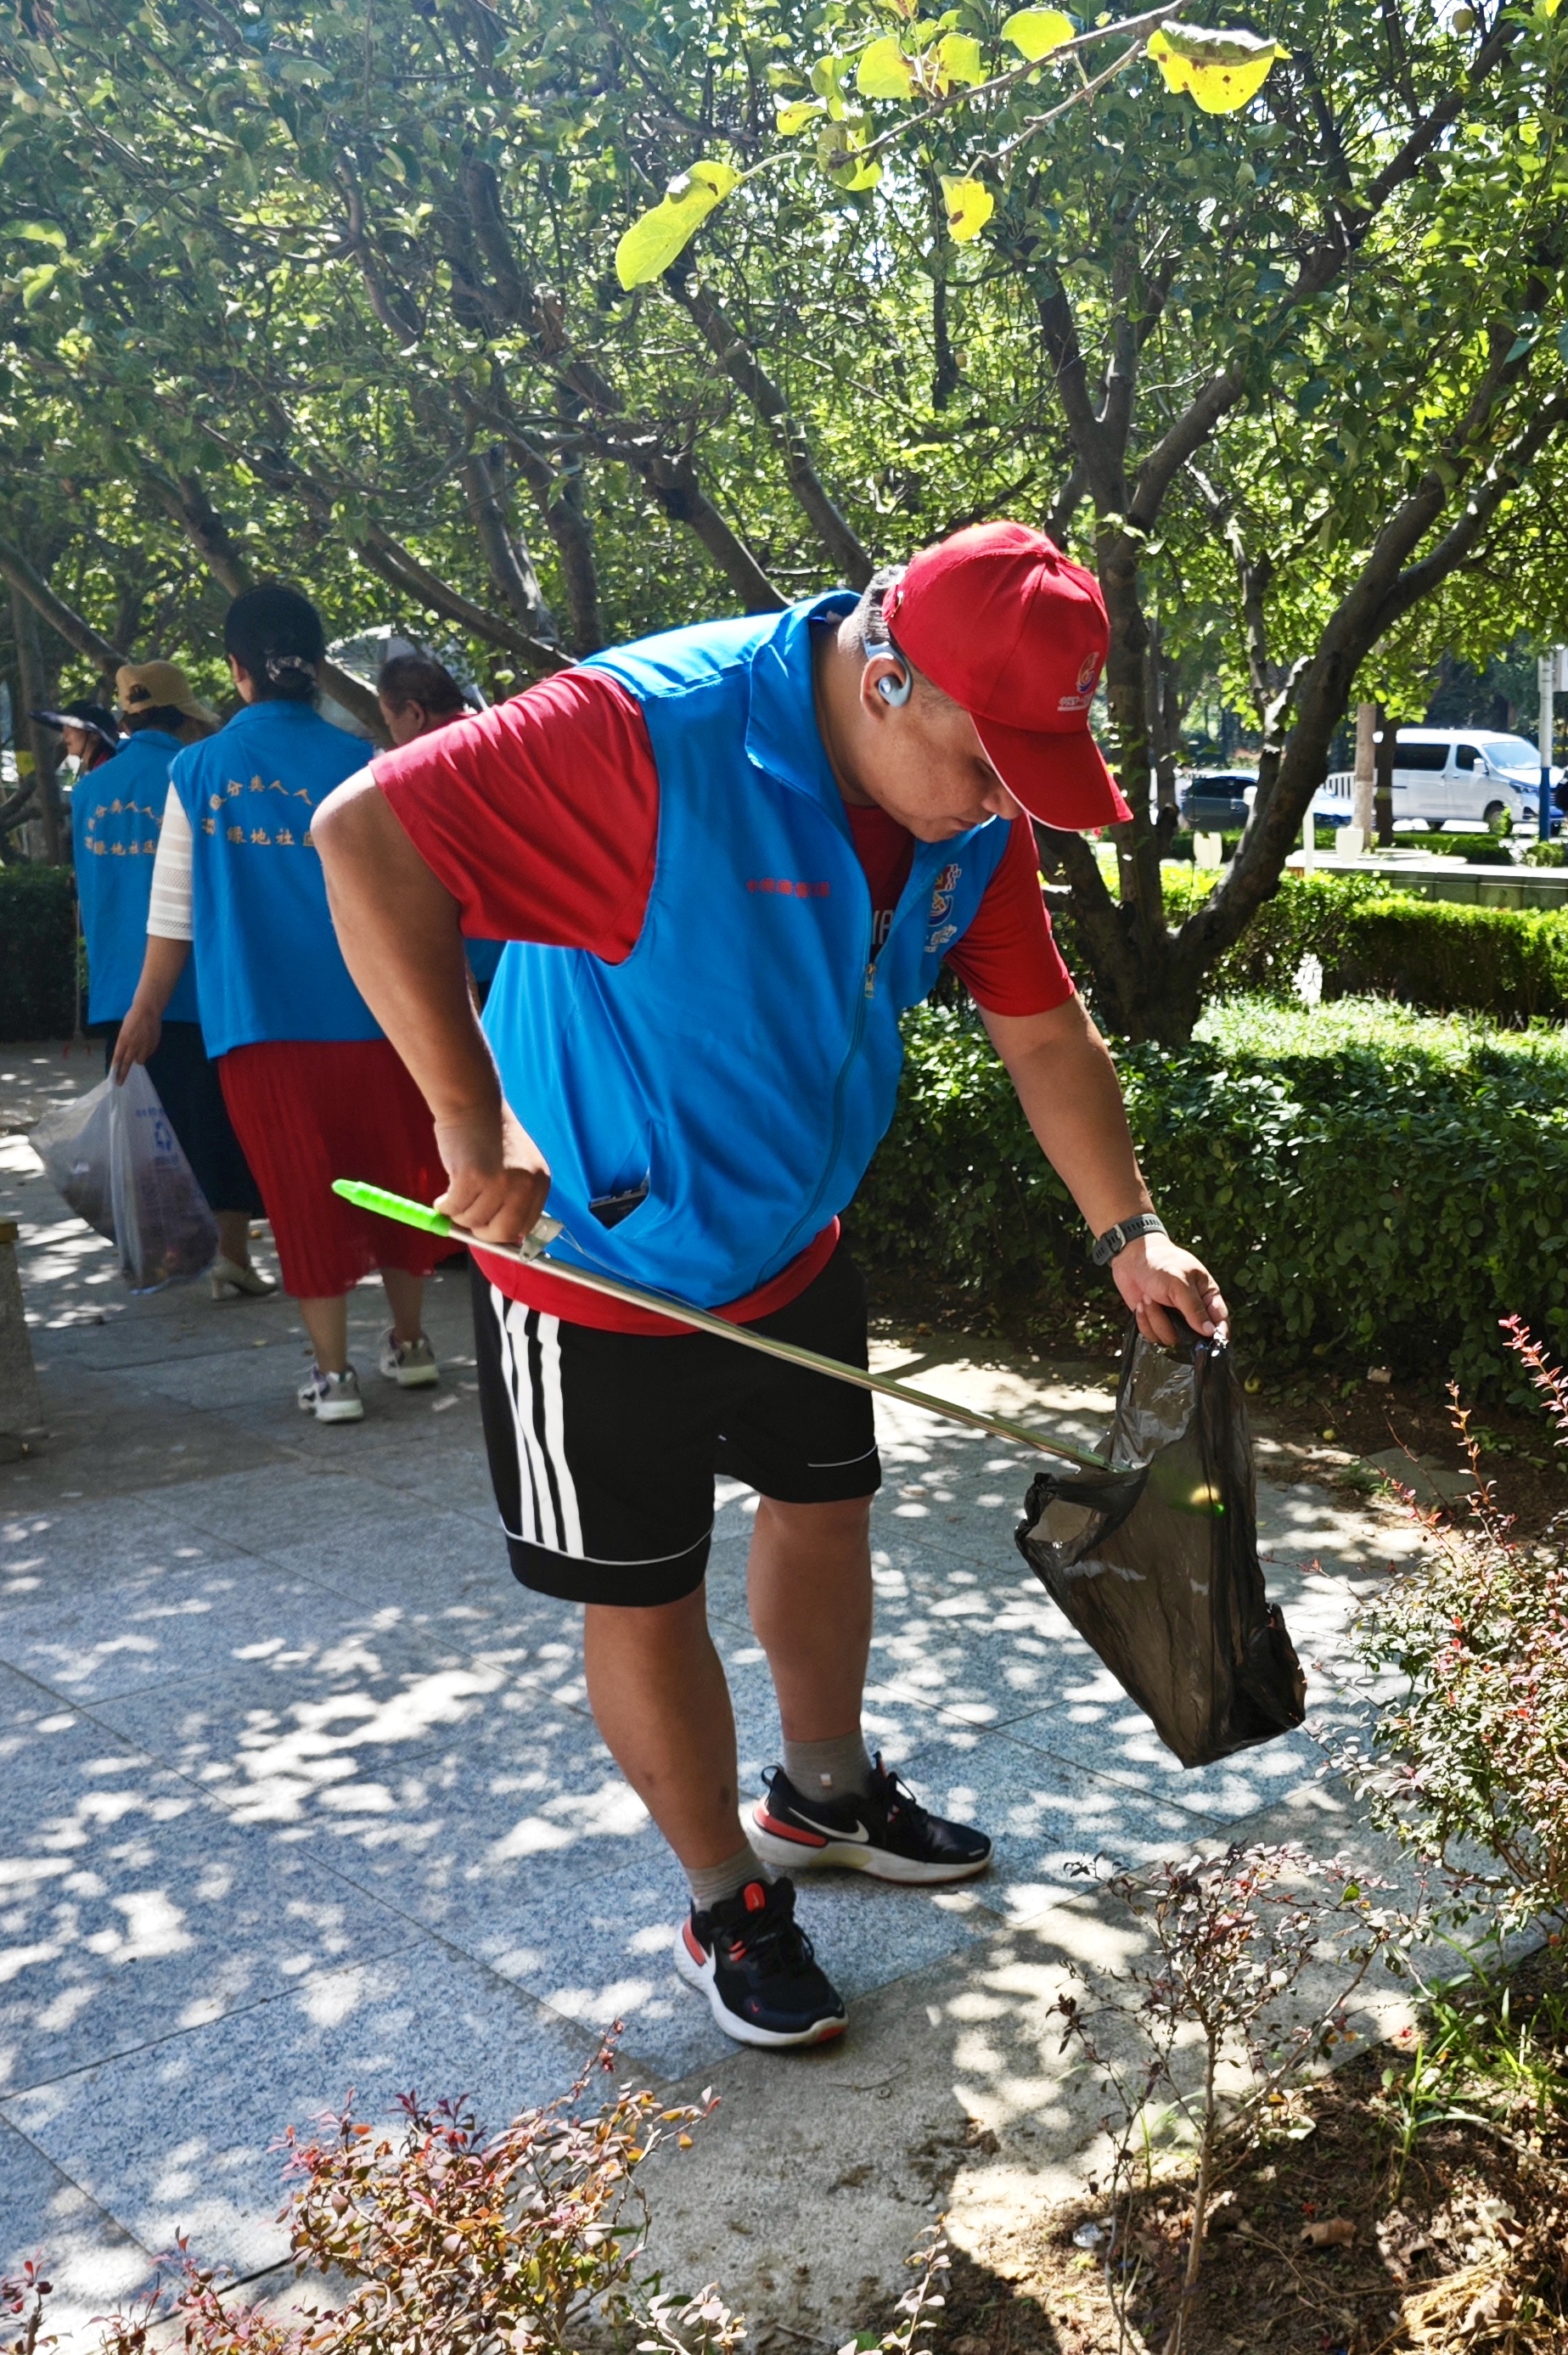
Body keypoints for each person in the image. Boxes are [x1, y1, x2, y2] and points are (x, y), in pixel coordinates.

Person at [312, 523, 1229, 2055]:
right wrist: (471, 1117)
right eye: (989, 763)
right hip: (596, 1265)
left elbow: (1044, 1028)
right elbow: (364, 835)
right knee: (644, 1583)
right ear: (886, 677)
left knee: (826, 1505)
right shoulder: (647, 734)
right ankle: (726, 1895)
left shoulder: (966, 824)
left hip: (792, 1237)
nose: (1007, 807)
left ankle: (821, 1789)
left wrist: (1125, 1229)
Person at [117, 585, 454, 1420]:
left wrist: (146, 1007)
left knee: (304, 1190)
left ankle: (333, 1375)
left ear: (236, 671)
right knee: (403, 1172)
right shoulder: (371, 764)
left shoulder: (195, 771)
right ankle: (411, 1345)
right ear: (316, 666)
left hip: (260, 1028)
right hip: (385, 1018)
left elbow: (173, 910)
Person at [73, 661, 273, 1299]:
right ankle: (232, 1259)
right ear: (184, 716)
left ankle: (157, 1257)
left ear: (127, 715)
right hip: (196, 987)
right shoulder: (197, 775)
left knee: (143, 1131)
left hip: (116, 988)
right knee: (218, 1125)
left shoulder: (89, 792)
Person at [375, 648, 503, 993]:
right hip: (549, 949)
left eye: (390, 723)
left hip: (475, 964)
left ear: (414, 712)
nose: (393, 737)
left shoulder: (414, 772)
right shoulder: (505, 739)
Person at [34, 698, 122, 777]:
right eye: (64, 729)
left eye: (71, 728)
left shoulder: (108, 776)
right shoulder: (104, 771)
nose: (65, 735)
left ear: (94, 735)